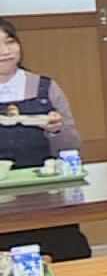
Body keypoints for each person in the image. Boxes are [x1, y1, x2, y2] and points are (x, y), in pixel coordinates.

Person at [0, 17, 90, 262]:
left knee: (67, 252)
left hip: (45, 191)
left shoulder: (45, 87)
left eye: (10, 42)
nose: (4, 52)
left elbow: (72, 147)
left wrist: (56, 129)